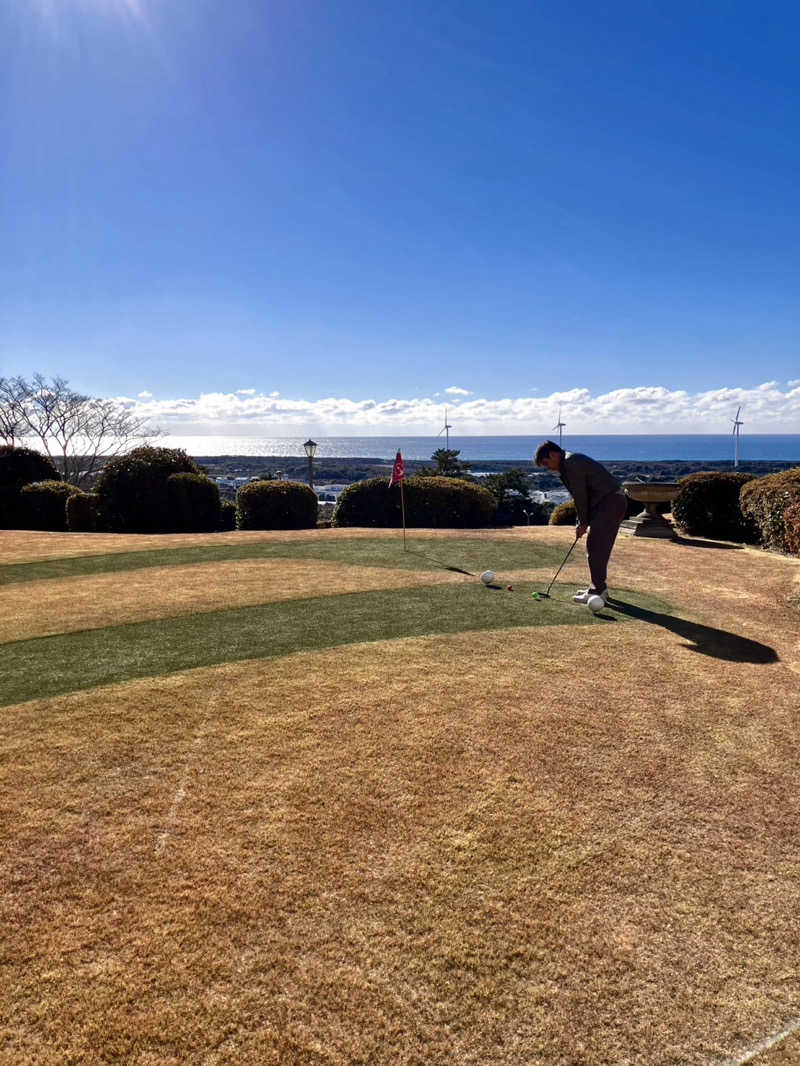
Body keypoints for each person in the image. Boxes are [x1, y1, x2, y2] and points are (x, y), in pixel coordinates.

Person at [534, 440, 627, 604]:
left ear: (554, 454)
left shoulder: (571, 463)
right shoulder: (569, 462)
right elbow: (583, 496)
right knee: (597, 546)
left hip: (610, 503)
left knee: (596, 546)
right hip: (608, 502)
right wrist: (581, 521)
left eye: (546, 463)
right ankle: (598, 587)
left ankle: (597, 590)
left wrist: (583, 523)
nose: (548, 468)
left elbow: (581, 496)